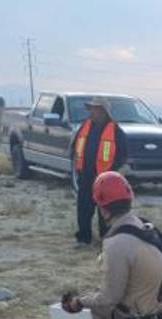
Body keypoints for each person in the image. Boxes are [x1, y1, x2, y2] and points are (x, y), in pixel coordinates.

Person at [62, 172, 162, 319]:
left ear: (102, 209)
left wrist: (79, 302)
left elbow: (111, 297)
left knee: (100, 310)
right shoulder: (142, 225)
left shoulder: (116, 243)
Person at [70, 98, 128, 247]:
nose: (91, 111)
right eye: (90, 108)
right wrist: (76, 164)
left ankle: (107, 239)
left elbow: (123, 154)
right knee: (83, 208)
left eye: (95, 108)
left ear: (103, 111)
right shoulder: (85, 127)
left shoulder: (115, 130)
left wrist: (112, 170)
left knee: (106, 210)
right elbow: (75, 147)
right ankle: (84, 238)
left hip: (105, 178)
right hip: (86, 176)